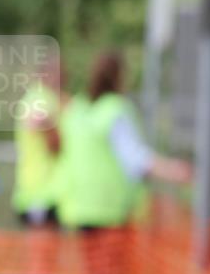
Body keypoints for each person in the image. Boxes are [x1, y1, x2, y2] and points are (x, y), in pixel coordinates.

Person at [55, 51, 193, 232]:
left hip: (78, 208)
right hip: (110, 210)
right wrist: (173, 171)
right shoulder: (115, 110)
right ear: (118, 77)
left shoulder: (76, 110)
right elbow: (135, 158)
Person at [12, 56, 64, 228]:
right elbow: (35, 121)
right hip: (40, 191)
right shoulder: (41, 97)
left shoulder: (41, 97)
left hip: (43, 190)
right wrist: (54, 132)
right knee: (41, 250)